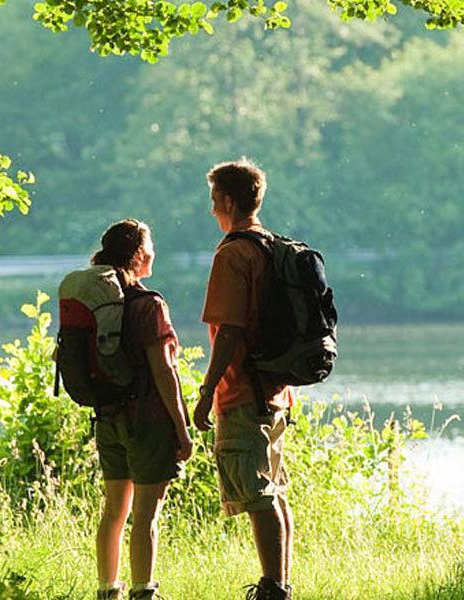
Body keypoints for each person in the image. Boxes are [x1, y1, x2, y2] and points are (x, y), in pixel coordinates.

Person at [192, 160, 294, 600]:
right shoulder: (272, 246)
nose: (212, 209)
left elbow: (229, 331)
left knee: (257, 495)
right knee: (274, 490)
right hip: (276, 391)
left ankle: (273, 589)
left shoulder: (233, 253)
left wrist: (206, 390)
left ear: (228, 201)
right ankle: (281, 584)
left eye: (214, 201)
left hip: (244, 392)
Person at [90, 220, 193, 600]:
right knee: (146, 516)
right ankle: (143, 592)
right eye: (150, 246)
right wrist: (181, 428)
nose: (153, 252)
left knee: (114, 511)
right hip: (147, 422)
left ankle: (106, 590)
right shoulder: (148, 305)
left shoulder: (98, 304)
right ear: (139, 254)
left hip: (107, 418)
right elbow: (164, 371)